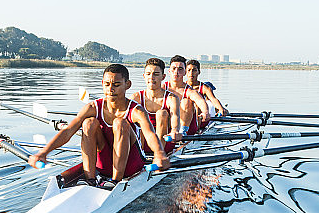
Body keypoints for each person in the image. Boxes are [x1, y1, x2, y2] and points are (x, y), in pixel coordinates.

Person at [28, 64, 169, 185]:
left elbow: (150, 134)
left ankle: (115, 182)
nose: (110, 89)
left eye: (116, 84)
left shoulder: (136, 110)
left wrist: (159, 153)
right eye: (107, 84)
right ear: (102, 84)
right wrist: (43, 152)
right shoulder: (93, 107)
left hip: (131, 165)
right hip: (104, 164)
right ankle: (91, 179)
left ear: (128, 85)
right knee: (88, 123)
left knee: (119, 123)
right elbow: (68, 131)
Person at [131, 58, 182, 152]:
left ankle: (159, 154)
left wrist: (175, 130)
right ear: (144, 76)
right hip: (142, 143)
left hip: (165, 143)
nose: (151, 77)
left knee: (161, 114)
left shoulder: (171, 98)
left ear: (163, 77)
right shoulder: (136, 97)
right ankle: (140, 155)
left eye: (156, 74)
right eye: (148, 74)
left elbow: (175, 116)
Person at [163, 55, 209, 135]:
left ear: (184, 72)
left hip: (188, 128)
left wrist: (205, 112)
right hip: (170, 126)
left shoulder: (189, 91)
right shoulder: (162, 88)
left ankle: (182, 132)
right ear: (169, 71)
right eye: (174, 68)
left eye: (180, 69)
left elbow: (200, 101)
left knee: (186, 101)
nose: (176, 72)